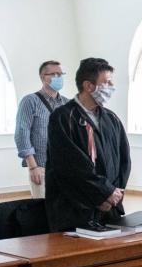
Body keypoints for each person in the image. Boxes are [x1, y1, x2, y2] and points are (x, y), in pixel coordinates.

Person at [45, 57, 131, 232]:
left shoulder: (111, 118)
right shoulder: (63, 117)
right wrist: (101, 194)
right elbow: (70, 167)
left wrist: (114, 193)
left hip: (110, 208)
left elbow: (124, 160)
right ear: (89, 86)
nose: (112, 86)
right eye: (107, 82)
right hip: (76, 210)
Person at [14, 60, 68, 198]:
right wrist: (33, 167)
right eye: (54, 74)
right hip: (41, 167)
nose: (58, 77)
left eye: (60, 74)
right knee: (43, 206)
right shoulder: (30, 101)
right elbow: (22, 133)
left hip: (64, 167)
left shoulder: (67, 103)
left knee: (65, 207)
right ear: (42, 77)